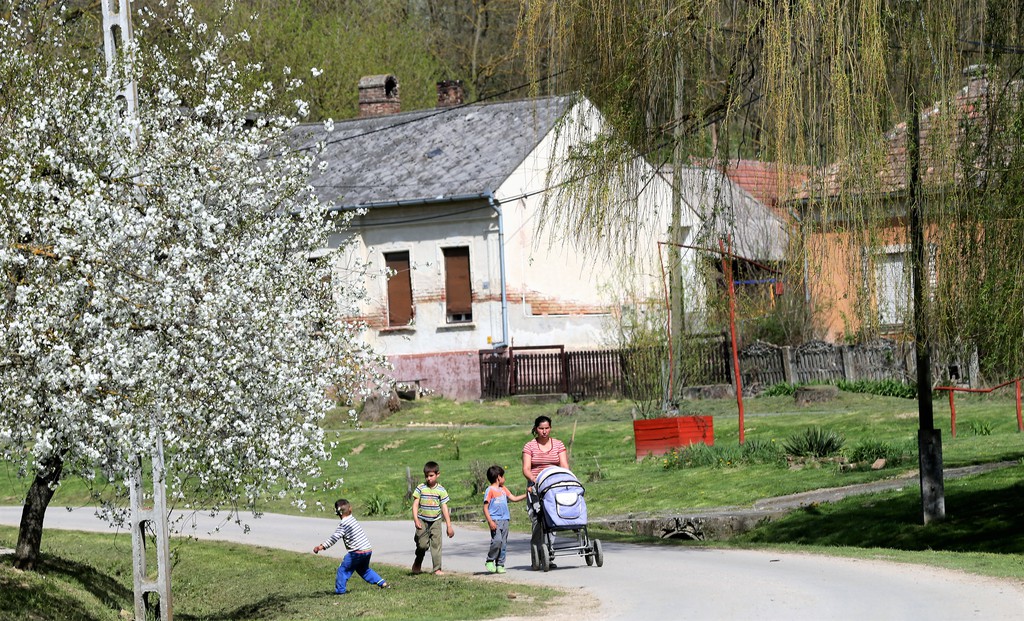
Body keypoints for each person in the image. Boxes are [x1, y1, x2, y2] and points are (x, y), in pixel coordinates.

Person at [313, 498, 391, 594]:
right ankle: (382, 583)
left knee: (343, 570)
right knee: (364, 570)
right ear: (351, 509)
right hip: (367, 550)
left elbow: (334, 538)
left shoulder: (343, 525)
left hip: (356, 553)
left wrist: (322, 546)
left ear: (338, 513)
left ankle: (340, 592)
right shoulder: (352, 519)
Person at [521, 415, 569, 569]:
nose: (544, 431)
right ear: (536, 429)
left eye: (547, 428)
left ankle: (548, 555)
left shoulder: (558, 444)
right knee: (537, 521)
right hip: (536, 487)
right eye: (541, 428)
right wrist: (535, 481)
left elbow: (564, 465)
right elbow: (526, 469)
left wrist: (564, 479)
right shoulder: (530, 446)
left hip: (554, 486)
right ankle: (536, 555)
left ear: (550, 428)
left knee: (553, 519)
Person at [411, 460, 455, 574]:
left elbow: (444, 507)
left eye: (431, 476)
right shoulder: (421, 488)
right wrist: (416, 519)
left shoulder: (441, 490)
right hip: (422, 520)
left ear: (437, 474)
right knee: (422, 545)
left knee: (436, 544)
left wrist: (449, 526)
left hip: (436, 521)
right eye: (427, 476)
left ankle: (437, 568)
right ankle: (418, 561)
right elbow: (415, 504)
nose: (429, 478)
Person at [482, 465, 526, 574]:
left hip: (505, 520)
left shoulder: (503, 489)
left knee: (503, 544)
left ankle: (500, 564)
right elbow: (485, 508)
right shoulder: (490, 490)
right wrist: (490, 521)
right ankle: (490, 560)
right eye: (503, 476)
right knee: (497, 541)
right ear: (498, 477)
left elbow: (514, 498)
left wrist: (527, 494)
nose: (504, 479)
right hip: (495, 521)